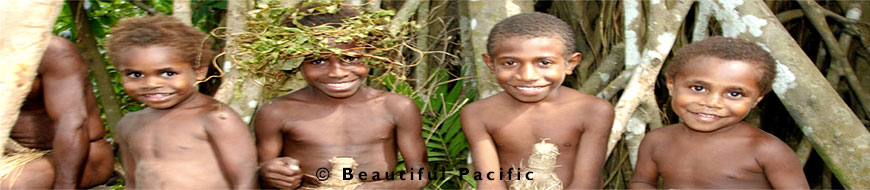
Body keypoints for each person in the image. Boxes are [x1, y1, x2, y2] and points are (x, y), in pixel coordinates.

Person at [254, 5, 429, 189]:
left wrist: (375, 188)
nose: (337, 73)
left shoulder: (397, 106)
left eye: (350, 58)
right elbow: (259, 174)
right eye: (318, 61)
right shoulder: (276, 111)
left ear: (367, 54)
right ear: (297, 62)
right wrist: (268, 174)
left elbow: (419, 175)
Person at [629, 36, 809, 189]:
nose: (712, 102)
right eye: (698, 88)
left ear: (756, 100)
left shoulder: (767, 151)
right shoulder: (657, 141)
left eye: (734, 94)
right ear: (671, 86)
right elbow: (642, 182)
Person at [461, 12, 614, 189]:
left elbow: (586, 183)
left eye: (544, 63)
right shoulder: (477, 114)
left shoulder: (593, 111)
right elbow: (489, 181)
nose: (527, 76)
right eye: (510, 63)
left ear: (570, 63)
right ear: (490, 64)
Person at [108, 15, 257, 189]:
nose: (151, 84)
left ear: (199, 72)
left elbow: (246, 182)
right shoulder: (129, 124)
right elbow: (132, 182)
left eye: (168, 73)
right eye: (136, 75)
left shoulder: (216, 118)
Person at [0, 36, 114, 189]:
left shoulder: (50, 50)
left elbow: (71, 123)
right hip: (13, 154)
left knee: (12, 186)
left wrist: (65, 185)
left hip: (84, 157)